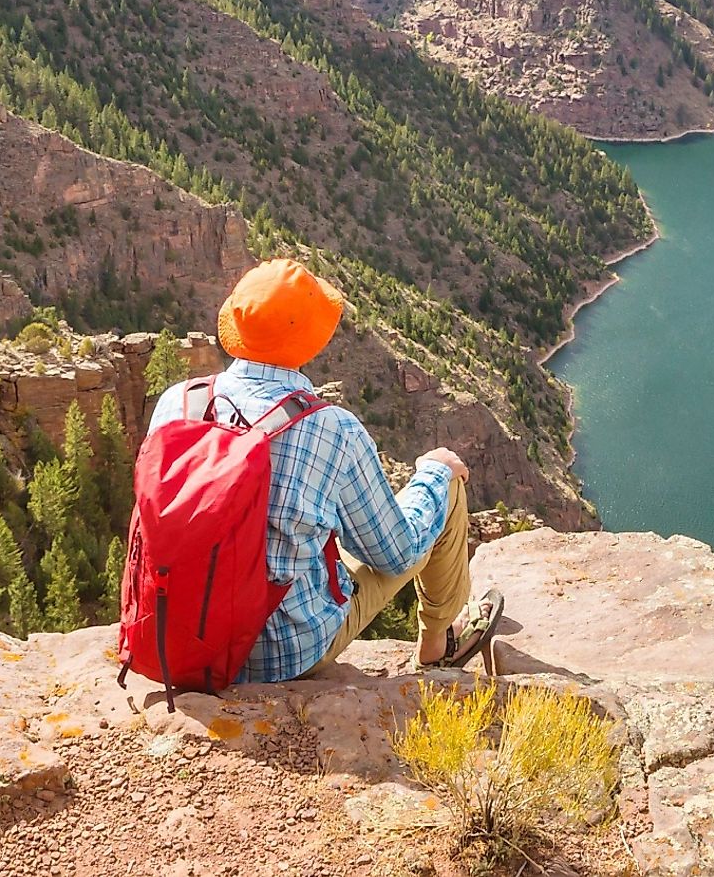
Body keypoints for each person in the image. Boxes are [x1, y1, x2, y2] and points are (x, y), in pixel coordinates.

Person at [146, 257, 499, 679]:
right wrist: (434, 472)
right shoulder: (332, 429)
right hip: (283, 656)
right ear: (309, 340)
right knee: (442, 487)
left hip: (182, 642)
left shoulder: (178, 403)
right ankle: (438, 647)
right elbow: (397, 554)